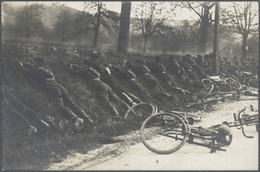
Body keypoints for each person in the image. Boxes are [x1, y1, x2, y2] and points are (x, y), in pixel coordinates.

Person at [20, 57, 94, 131]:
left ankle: (75, 119)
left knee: (59, 106)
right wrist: (28, 65)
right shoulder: (47, 68)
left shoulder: (35, 70)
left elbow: (27, 73)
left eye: (34, 62)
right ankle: (88, 118)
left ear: (36, 63)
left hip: (50, 87)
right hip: (58, 85)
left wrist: (21, 66)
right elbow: (38, 69)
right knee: (72, 104)